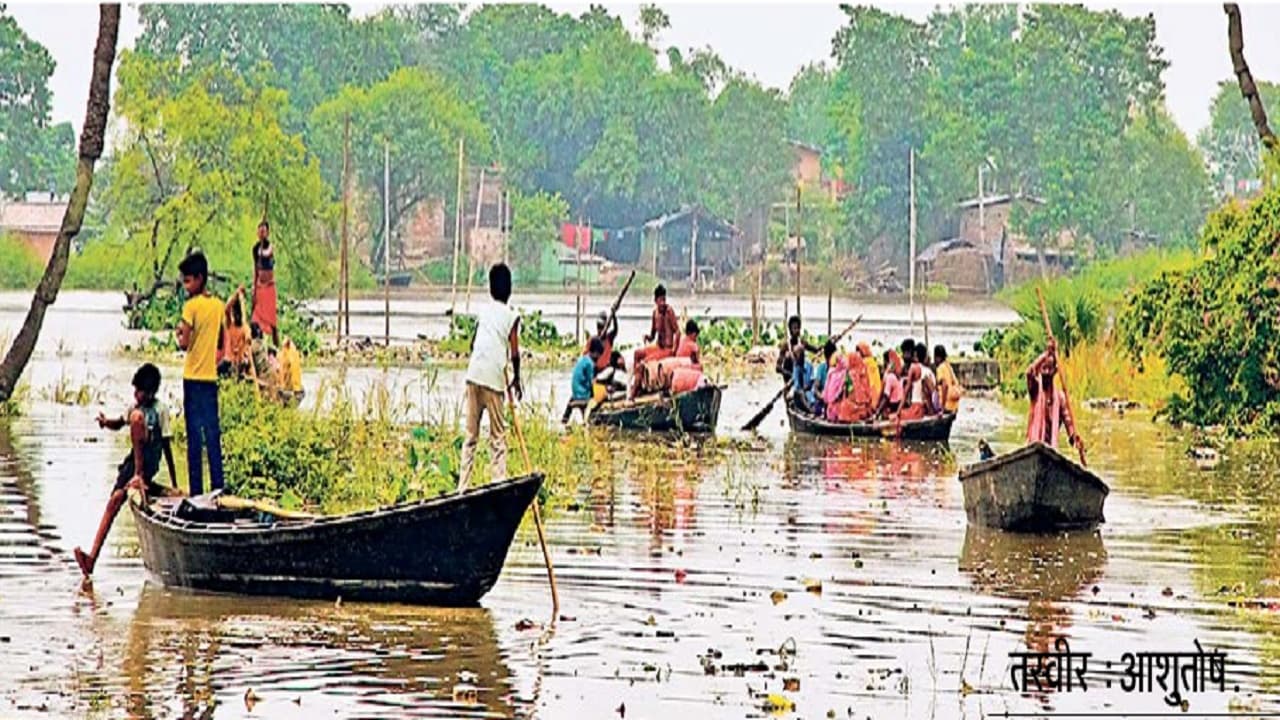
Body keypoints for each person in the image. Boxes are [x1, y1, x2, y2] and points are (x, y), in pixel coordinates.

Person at [74, 364, 181, 577]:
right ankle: (92, 558)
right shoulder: (134, 408)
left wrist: (174, 481)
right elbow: (119, 422)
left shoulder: (161, 411)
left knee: (136, 419)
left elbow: (167, 446)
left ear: (150, 392)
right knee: (114, 500)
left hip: (147, 463)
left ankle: (140, 478)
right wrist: (105, 423)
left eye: (139, 391)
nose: (136, 395)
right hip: (133, 462)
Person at [460, 263, 522, 491]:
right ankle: (498, 485)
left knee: (471, 436)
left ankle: (463, 487)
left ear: (491, 289)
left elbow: (473, 343)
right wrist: (517, 378)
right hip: (493, 379)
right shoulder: (512, 316)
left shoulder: (484, 312)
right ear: (510, 289)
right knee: (497, 437)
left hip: (474, 374)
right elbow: (514, 352)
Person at [176, 251, 224, 496]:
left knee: (195, 440)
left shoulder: (190, 307)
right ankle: (218, 490)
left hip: (193, 380)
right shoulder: (217, 306)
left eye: (188, 281)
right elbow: (221, 345)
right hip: (210, 380)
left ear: (199, 278)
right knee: (213, 437)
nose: (185, 286)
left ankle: (196, 494)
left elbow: (184, 343)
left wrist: (179, 335)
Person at [1026, 340, 1082, 452]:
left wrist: (1074, 437)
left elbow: (1068, 421)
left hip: (1050, 449)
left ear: (1055, 371)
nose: (1046, 372)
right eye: (1043, 368)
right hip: (1033, 447)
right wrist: (1046, 354)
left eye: (1049, 368)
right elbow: (1029, 372)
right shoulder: (1036, 390)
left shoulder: (1060, 398)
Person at [632, 284, 680, 372]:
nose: (663, 303)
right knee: (637, 354)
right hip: (658, 347)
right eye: (660, 300)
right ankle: (636, 379)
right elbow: (652, 336)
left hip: (667, 349)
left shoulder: (669, 311)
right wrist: (647, 337)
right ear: (655, 301)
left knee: (646, 361)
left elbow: (677, 331)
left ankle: (638, 382)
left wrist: (674, 350)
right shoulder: (655, 313)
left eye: (664, 300)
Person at [563, 337, 605, 423]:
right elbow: (592, 383)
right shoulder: (590, 364)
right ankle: (579, 407)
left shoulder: (584, 358)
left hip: (576, 390)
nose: (599, 358)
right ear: (596, 352)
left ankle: (566, 419)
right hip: (582, 393)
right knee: (595, 402)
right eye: (599, 355)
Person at [252, 220, 279, 348]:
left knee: (272, 321)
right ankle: (257, 346)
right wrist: (254, 288)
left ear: (267, 233)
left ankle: (276, 347)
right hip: (260, 286)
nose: (261, 233)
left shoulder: (270, 247)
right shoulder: (255, 248)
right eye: (260, 230)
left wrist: (264, 252)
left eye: (264, 231)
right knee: (256, 319)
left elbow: (269, 256)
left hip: (269, 287)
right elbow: (255, 269)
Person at [220, 287, 251, 378]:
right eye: (235, 313)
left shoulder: (246, 328)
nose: (236, 316)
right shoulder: (230, 324)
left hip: (240, 365)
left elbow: (248, 340)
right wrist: (236, 295)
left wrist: (247, 338)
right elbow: (226, 309)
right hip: (228, 362)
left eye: (238, 313)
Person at [875, 349, 905, 419]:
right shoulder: (897, 376)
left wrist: (877, 412)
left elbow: (886, 396)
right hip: (897, 407)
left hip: (893, 408)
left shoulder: (890, 376)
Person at [934, 345, 964, 414]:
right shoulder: (948, 366)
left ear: (938, 357)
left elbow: (945, 386)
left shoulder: (940, 368)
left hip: (946, 405)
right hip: (954, 406)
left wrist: (942, 407)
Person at [809, 340, 837, 414]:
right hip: (823, 401)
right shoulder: (821, 368)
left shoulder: (839, 369)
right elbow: (815, 389)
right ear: (826, 357)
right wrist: (823, 398)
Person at [278, 336, 304, 405]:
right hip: (299, 390)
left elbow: (282, 372)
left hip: (290, 391)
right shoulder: (295, 353)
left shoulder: (285, 354)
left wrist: (281, 387)